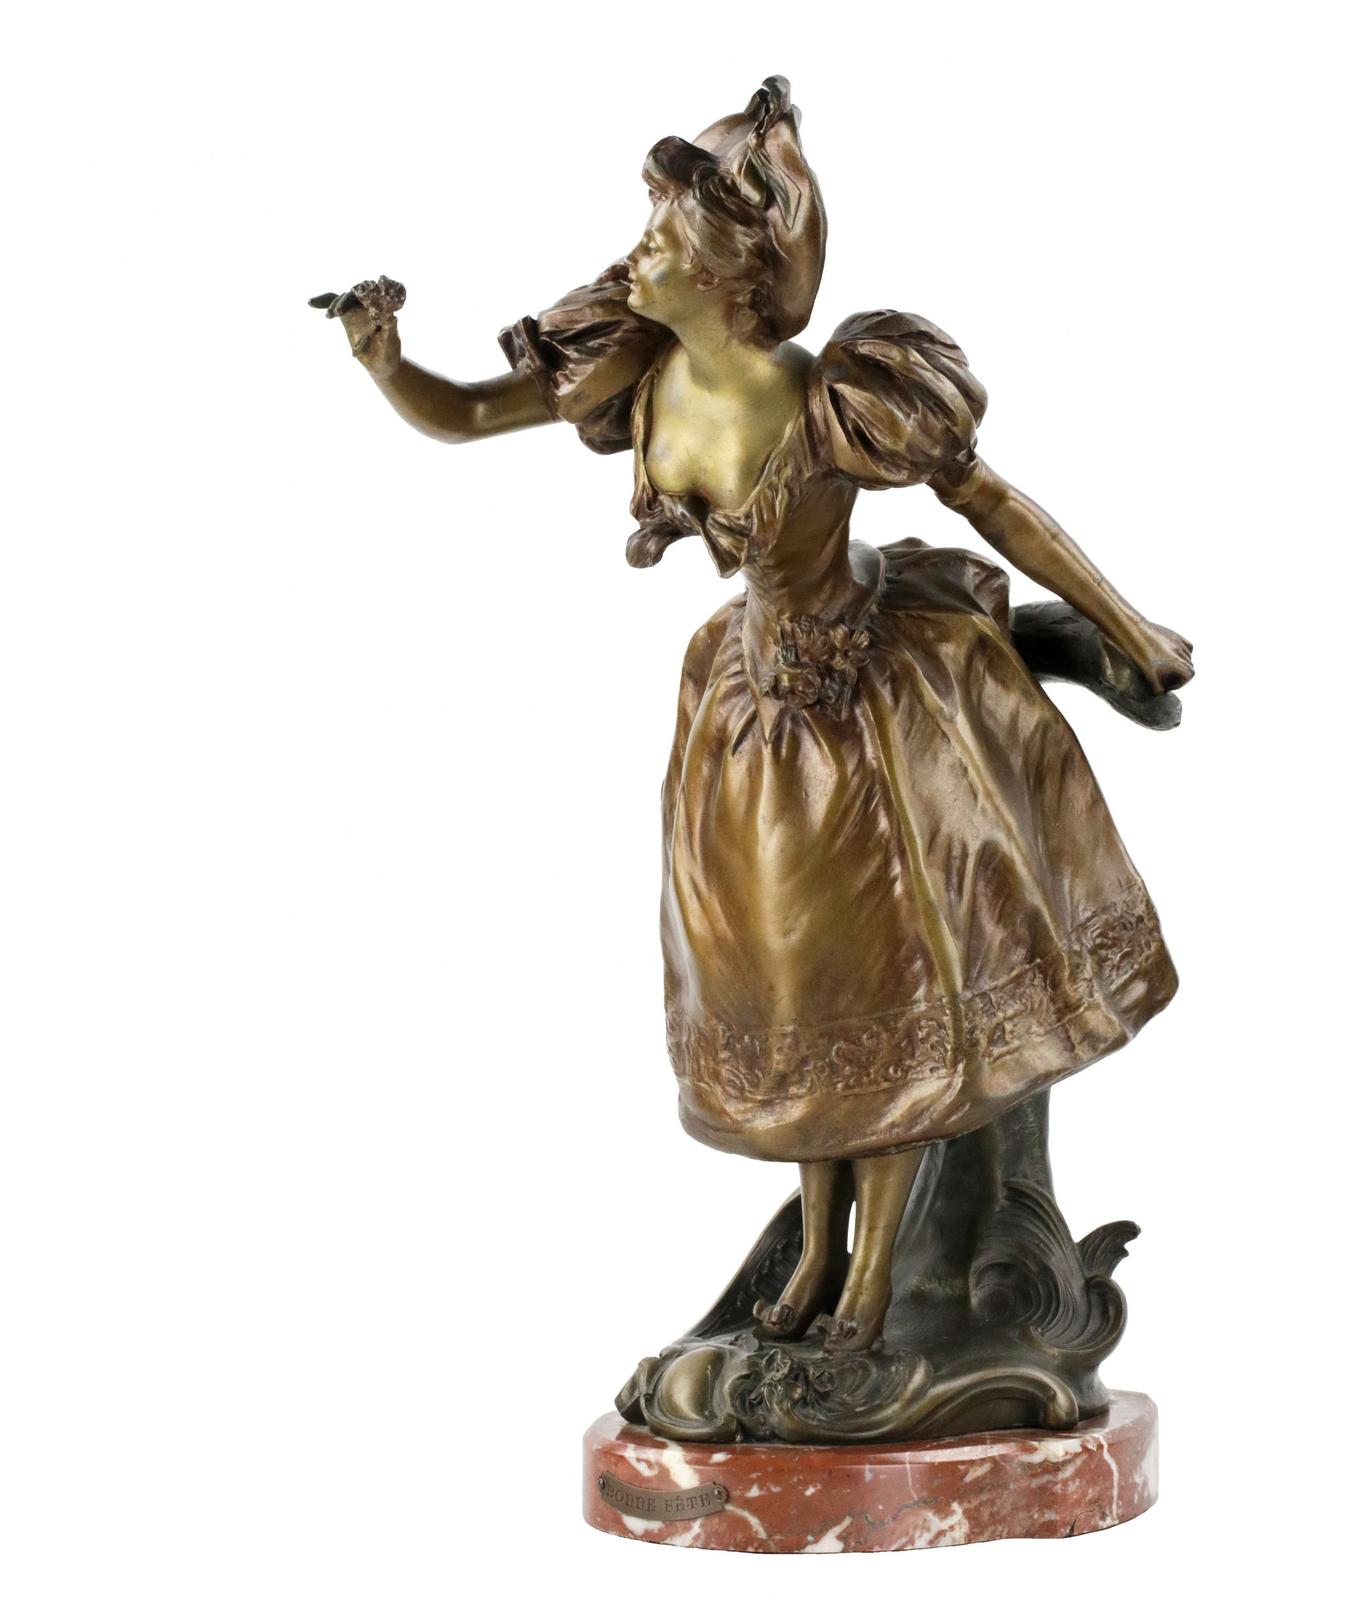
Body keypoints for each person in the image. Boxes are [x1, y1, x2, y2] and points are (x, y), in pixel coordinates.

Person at [314, 77, 1192, 1357]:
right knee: (789, 986)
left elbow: (994, 505)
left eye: (661, 240)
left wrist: (1128, 625)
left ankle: (875, 1277)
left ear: (731, 277)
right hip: (745, 715)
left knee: (890, 977)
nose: (635, 257)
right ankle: (817, 1248)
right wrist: (386, 358)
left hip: (864, 704)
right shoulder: (638, 365)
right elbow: (467, 413)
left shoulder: (837, 397)